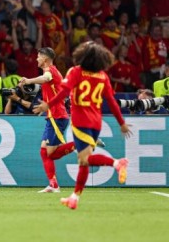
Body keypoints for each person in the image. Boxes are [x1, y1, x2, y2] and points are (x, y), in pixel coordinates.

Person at [34, 42, 131, 210]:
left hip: (81, 121)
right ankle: (74, 198)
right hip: (96, 122)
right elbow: (112, 102)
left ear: (81, 56)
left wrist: (48, 105)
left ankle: (117, 163)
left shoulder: (76, 71)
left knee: (84, 159)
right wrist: (121, 123)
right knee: (83, 162)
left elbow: (64, 92)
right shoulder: (103, 76)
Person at [16, 47, 70, 193]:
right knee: (44, 151)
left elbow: (45, 78)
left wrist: (28, 80)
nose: (36, 59)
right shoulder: (52, 72)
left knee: (51, 152)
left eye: (39, 56)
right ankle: (53, 185)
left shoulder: (50, 71)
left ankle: (84, 142)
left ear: (45, 59)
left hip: (58, 116)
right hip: (52, 116)